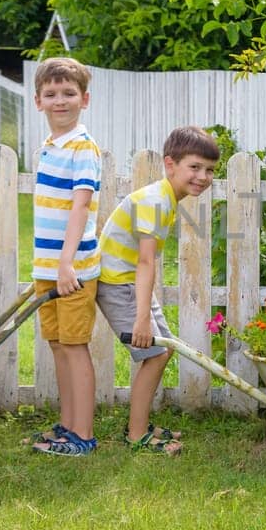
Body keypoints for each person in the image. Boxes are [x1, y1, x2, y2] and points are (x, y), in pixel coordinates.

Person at [97, 125, 221, 454]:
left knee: (162, 351)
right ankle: (137, 434)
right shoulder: (154, 201)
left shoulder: (166, 198)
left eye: (209, 170)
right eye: (194, 167)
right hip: (116, 282)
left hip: (127, 279)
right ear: (170, 164)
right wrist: (141, 320)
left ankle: (140, 425)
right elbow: (146, 263)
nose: (203, 176)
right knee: (154, 354)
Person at [29, 57, 102, 456]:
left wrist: (65, 263)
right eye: (52, 94)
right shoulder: (49, 147)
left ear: (84, 99)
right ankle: (68, 425)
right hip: (50, 266)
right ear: (38, 101)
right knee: (58, 344)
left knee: (75, 347)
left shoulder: (82, 148)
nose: (61, 101)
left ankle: (84, 436)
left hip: (71, 268)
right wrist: (48, 265)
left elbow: (80, 207)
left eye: (69, 93)